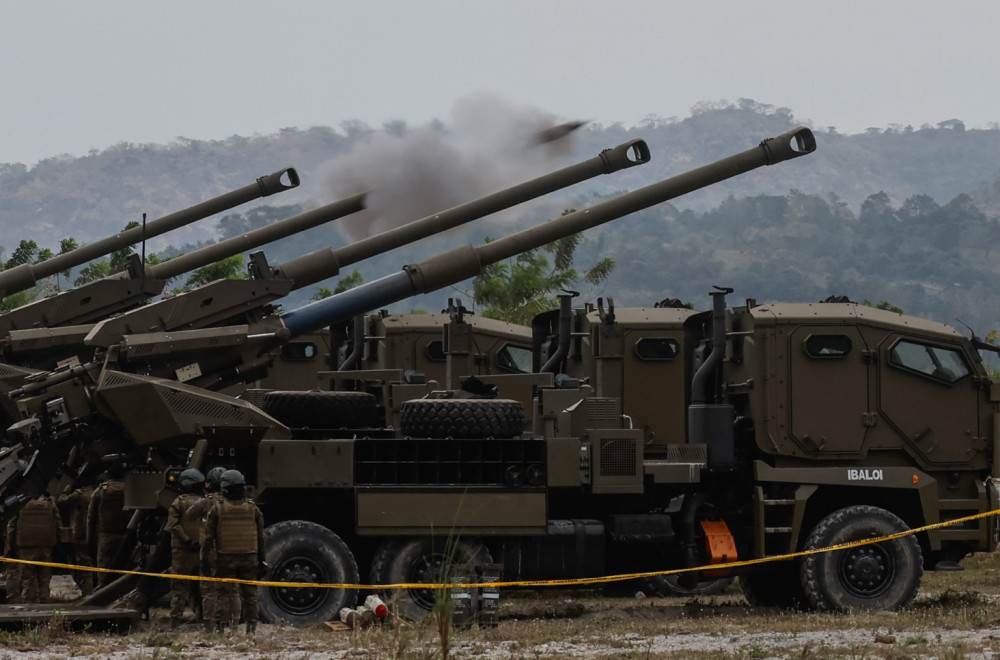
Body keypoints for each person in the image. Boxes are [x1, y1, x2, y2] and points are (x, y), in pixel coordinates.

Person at [201, 469, 265, 634]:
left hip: (225, 558)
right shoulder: (253, 509)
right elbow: (260, 538)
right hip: (250, 557)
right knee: (250, 593)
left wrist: (205, 560)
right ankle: (251, 629)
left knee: (226, 592)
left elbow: (208, 539)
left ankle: (225, 627)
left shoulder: (217, 509)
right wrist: (262, 560)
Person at [165, 468, 208, 628]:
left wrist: (187, 541)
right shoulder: (205, 503)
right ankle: (203, 616)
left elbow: (173, 525)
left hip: (182, 551)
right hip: (201, 551)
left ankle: (175, 620)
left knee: (179, 587)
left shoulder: (179, 502)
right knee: (201, 587)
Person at [5, 494, 60, 603]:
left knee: (27, 581)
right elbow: (58, 525)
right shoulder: (50, 503)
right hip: (45, 548)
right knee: (44, 580)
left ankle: (30, 607)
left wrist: (9, 548)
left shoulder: (19, 504)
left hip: (26, 549)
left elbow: (11, 528)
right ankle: (45, 605)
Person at [86, 462, 131, 586]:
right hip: (126, 536)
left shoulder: (100, 491)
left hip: (106, 536)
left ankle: (103, 593)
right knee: (125, 567)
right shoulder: (131, 489)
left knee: (104, 569)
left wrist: (89, 540)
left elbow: (91, 518)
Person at [199, 466, 232, 629]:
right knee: (228, 589)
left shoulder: (207, 501)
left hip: (210, 550)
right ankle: (226, 622)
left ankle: (210, 625)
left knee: (209, 590)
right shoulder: (237, 503)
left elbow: (190, 514)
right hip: (228, 550)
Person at [57, 484, 95, 596]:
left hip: (79, 534)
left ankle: (88, 593)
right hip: (92, 533)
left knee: (83, 565)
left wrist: (65, 491)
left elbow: (61, 502)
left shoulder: (78, 495)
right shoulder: (96, 491)